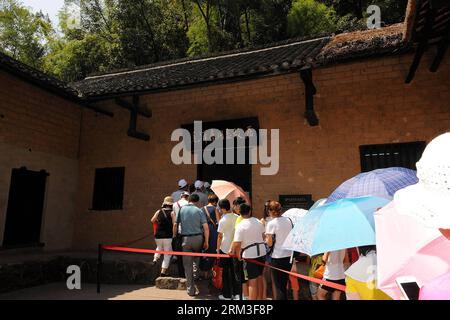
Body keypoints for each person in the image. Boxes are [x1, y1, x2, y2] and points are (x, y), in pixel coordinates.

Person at [173, 194, 209, 296]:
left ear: (189, 200)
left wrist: (174, 236)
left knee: (187, 265)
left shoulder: (182, 209)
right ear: (197, 202)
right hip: (198, 238)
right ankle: (195, 275)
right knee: (196, 260)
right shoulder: (199, 211)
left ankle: (191, 289)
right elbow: (205, 227)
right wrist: (206, 241)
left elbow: (176, 224)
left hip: (186, 239)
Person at [231, 203, 266, 300]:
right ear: (250, 211)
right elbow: (263, 236)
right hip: (262, 252)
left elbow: (237, 243)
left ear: (239, 212)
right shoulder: (258, 221)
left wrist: (238, 255)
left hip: (250, 255)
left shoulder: (240, 225)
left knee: (252, 281)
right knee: (260, 278)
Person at [265, 201, 293, 300]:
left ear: (270, 211)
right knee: (284, 284)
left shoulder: (271, 223)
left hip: (277, 257)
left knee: (278, 287)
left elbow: (269, 243)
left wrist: (266, 237)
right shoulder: (288, 220)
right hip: (289, 256)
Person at [216, 199, 241, 300]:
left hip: (225, 248)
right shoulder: (237, 217)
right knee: (236, 273)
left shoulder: (222, 220)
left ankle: (226, 295)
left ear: (222, 208)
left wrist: (217, 249)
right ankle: (237, 294)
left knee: (225, 273)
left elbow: (220, 236)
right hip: (235, 248)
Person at [151, 196, 175, 276]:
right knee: (167, 254)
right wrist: (174, 233)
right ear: (171, 205)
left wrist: (159, 221)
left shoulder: (158, 211)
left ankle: (155, 258)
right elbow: (174, 223)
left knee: (159, 247)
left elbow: (152, 220)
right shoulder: (172, 213)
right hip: (168, 236)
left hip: (158, 235)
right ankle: (163, 271)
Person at [232, 197, 249, 299]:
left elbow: (237, 238)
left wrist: (236, 252)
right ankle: (245, 296)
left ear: (239, 206)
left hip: (240, 251)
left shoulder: (239, 219)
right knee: (245, 275)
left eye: (235, 205)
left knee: (241, 275)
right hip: (246, 251)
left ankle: (243, 296)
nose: (234, 207)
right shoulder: (249, 219)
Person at [199, 193, 219, 279]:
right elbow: (219, 221)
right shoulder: (215, 209)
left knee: (204, 250)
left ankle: (202, 272)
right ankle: (208, 273)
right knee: (212, 251)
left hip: (203, 230)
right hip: (213, 231)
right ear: (215, 201)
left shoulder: (201, 209)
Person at [172, 191, 190, 277]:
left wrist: (174, 234)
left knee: (179, 254)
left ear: (181, 196)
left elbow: (175, 221)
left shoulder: (175, 204)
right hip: (188, 231)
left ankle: (181, 274)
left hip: (178, 231)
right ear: (187, 197)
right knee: (187, 254)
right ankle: (188, 274)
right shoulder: (189, 204)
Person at [260, 200, 275, 300]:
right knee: (274, 275)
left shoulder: (263, 220)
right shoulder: (276, 220)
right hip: (276, 248)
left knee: (263, 274)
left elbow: (261, 236)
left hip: (266, 248)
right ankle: (275, 296)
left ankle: (264, 296)